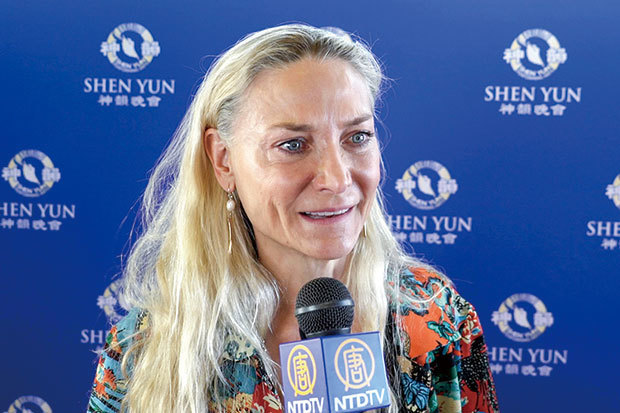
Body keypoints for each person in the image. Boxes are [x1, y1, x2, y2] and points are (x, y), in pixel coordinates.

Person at [87, 24, 499, 413]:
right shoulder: (145, 349)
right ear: (224, 160)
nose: (337, 179)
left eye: (357, 137)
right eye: (293, 145)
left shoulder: (436, 317)